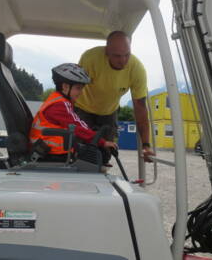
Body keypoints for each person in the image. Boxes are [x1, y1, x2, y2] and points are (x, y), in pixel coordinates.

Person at [74, 31, 155, 162]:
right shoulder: (90, 59)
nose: (123, 61)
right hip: (83, 108)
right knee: (79, 149)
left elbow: (140, 109)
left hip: (109, 112)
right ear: (107, 51)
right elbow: (74, 88)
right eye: (117, 56)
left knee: (106, 153)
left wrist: (146, 145)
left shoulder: (137, 69)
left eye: (126, 55)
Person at [29, 63, 117, 164]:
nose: (81, 92)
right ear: (65, 87)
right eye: (78, 88)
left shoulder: (60, 100)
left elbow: (78, 123)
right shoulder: (59, 105)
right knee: (95, 159)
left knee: (94, 155)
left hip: (51, 150)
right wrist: (103, 142)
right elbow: (77, 127)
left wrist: (95, 136)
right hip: (50, 153)